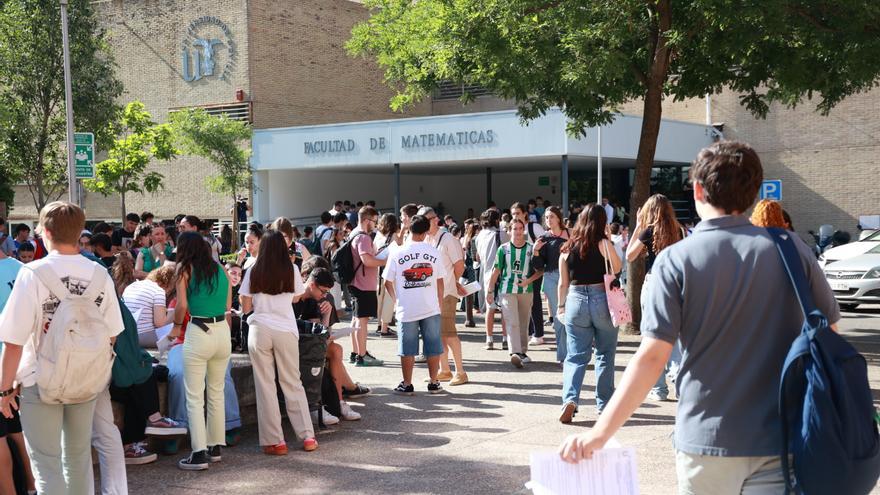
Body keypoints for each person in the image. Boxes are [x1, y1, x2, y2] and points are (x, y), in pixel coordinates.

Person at [558, 142, 841, 494]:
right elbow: (828, 332)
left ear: (697, 190)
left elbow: (652, 357)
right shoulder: (792, 248)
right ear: (754, 192)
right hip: (782, 436)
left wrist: (600, 434)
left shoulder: (675, 260)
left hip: (706, 439)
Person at [0, 201, 124, 494]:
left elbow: (14, 340)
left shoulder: (33, 273)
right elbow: (112, 333)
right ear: (79, 232)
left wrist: (5, 389)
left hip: (39, 379)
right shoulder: (98, 274)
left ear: (46, 231)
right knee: (78, 459)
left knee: (46, 464)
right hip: (85, 379)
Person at [239, 231, 317, 454]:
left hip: (260, 328)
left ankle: (276, 441)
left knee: (266, 386)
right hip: (286, 328)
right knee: (293, 382)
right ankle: (307, 437)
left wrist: (248, 316)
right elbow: (297, 296)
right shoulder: (291, 269)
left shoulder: (253, 268)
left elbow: (245, 299)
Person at [167, 231, 232, 471]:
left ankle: (199, 453)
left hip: (198, 330)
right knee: (216, 392)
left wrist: (175, 326)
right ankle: (215, 446)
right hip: (221, 331)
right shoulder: (221, 269)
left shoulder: (184, 269)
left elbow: (182, 305)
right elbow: (227, 305)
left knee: (194, 396)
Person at [557, 204, 622, 422]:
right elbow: (618, 267)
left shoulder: (567, 248)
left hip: (575, 300)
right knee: (605, 353)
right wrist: (608, 239)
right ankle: (604, 405)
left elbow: (562, 283)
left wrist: (560, 307)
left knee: (575, 356)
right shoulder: (603, 243)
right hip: (602, 299)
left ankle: (570, 399)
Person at [626, 194, 685, 401]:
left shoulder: (648, 231)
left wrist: (638, 225)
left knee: (652, 334)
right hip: (675, 283)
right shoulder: (679, 230)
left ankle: (659, 388)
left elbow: (630, 255)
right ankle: (679, 380)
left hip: (654, 283)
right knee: (675, 334)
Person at [383, 215, 447, 395]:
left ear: (409, 229)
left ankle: (407, 383)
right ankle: (434, 383)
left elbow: (387, 282)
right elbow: (440, 281)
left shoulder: (397, 252)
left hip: (406, 307)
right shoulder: (434, 251)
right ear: (426, 231)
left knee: (407, 348)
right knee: (433, 346)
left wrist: (396, 302)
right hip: (431, 306)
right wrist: (439, 302)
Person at [0, 244, 35, 495]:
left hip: (5, 365)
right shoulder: (23, 270)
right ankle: (34, 486)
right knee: (15, 429)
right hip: (24, 364)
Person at [420, 206, 469, 385]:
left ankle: (460, 372)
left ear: (434, 220)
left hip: (446, 293)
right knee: (439, 333)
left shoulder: (447, 238)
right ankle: (445, 370)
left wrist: (453, 282)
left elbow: (459, 265)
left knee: (449, 333)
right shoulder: (429, 238)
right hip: (434, 293)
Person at [487, 218, 544, 368]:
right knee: (512, 321)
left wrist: (527, 281)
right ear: (509, 231)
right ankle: (515, 353)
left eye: (520, 229)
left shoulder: (531, 248)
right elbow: (496, 271)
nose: (518, 232)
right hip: (507, 289)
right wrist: (490, 290)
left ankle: (522, 352)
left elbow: (540, 271)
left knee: (524, 322)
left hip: (526, 290)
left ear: (523, 230)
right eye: (515, 229)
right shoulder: (503, 249)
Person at [348, 206, 386, 367]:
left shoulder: (353, 233)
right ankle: (362, 356)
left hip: (356, 282)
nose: (376, 225)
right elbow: (367, 261)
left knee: (356, 319)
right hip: (363, 284)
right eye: (374, 222)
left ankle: (356, 352)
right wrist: (386, 260)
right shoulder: (363, 238)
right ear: (366, 220)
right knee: (362, 321)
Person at [534, 206, 569, 360]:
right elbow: (539, 266)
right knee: (559, 317)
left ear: (559, 218)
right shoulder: (543, 238)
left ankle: (573, 353)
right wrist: (535, 251)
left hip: (570, 279)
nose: (548, 220)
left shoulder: (570, 234)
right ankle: (563, 356)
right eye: (546, 217)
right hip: (551, 278)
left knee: (572, 317)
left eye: (552, 216)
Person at [511, 202, 547, 344]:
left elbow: (545, 242)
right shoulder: (512, 228)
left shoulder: (534, 227)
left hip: (534, 267)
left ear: (525, 214)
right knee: (523, 301)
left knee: (535, 300)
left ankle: (538, 334)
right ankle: (529, 331)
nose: (515, 216)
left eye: (518, 213)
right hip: (519, 268)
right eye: (513, 214)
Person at [475, 209, 508, 350]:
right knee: (505, 307)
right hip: (502, 273)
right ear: (496, 220)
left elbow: (478, 256)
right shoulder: (500, 234)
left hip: (485, 273)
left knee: (490, 308)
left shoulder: (479, 236)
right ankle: (506, 339)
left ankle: (489, 339)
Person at [123, 265, 177, 348]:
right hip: (142, 336)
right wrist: (174, 313)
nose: (169, 292)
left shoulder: (132, 286)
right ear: (168, 283)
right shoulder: (158, 291)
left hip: (127, 334)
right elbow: (160, 323)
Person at [374, 213, 401, 338]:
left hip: (377, 269)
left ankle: (379, 325)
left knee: (379, 298)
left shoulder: (377, 235)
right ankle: (384, 328)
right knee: (389, 300)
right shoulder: (394, 236)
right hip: (390, 270)